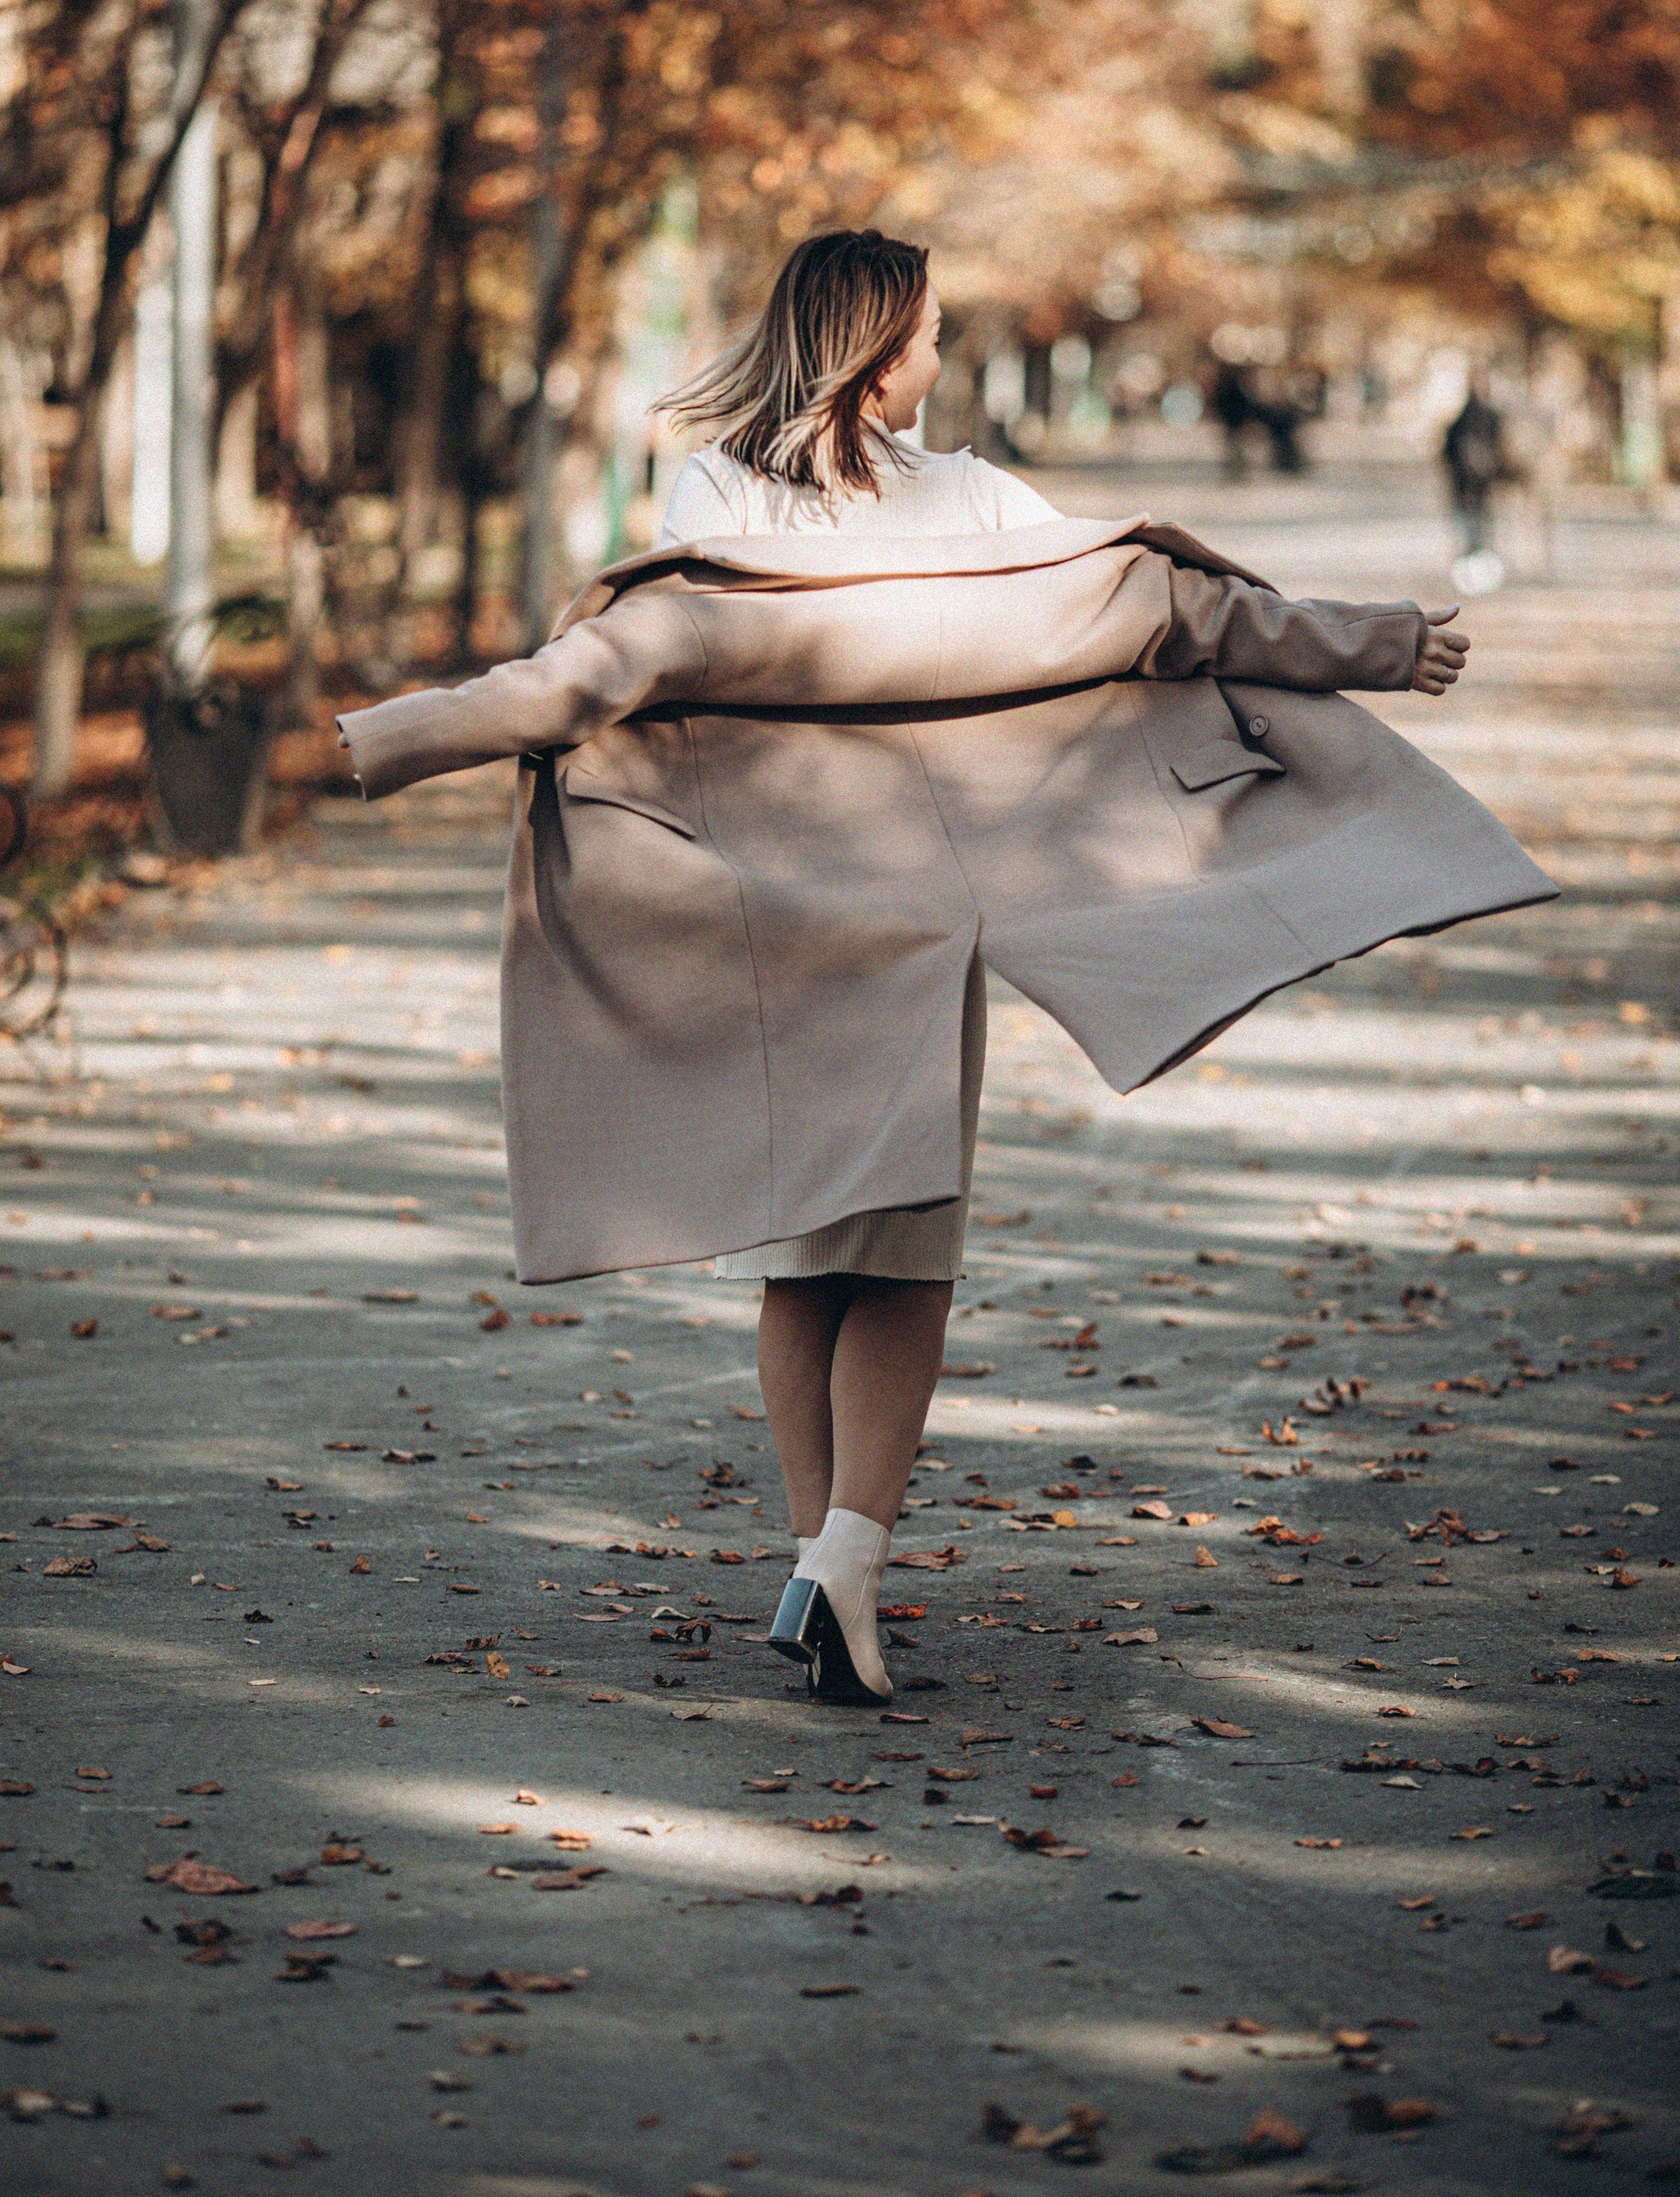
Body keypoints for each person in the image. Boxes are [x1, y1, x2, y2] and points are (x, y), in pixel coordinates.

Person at [336, 229, 1550, 1715]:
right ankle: (844, 1561)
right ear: (872, 356)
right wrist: (1378, 643)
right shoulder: (970, 502)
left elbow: (605, 671)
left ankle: (820, 1566)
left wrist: (392, 737)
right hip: (917, 928)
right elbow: (1167, 611)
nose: (937, 360)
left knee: (802, 1255)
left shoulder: (714, 497)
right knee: (905, 1255)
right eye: (925, 337)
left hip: (777, 921)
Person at [1442, 374, 1506, 594]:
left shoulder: (1486, 419)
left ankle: (1478, 576)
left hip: (1477, 487)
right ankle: (1471, 577)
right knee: (1472, 531)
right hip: (1469, 487)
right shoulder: (1467, 421)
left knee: (1477, 531)